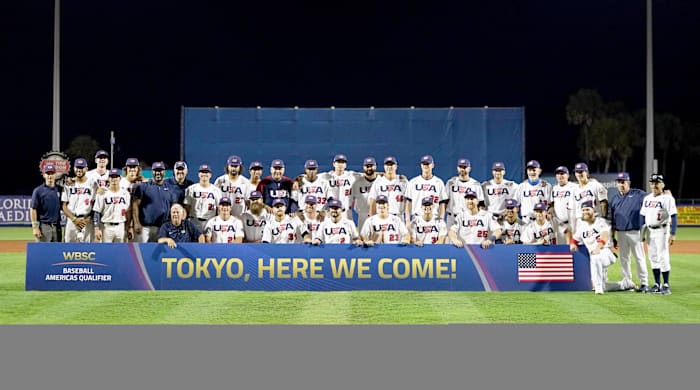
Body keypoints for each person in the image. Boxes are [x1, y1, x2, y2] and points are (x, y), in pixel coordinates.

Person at [569, 200, 621, 295]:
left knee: (595, 257)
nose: (585, 212)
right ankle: (625, 284)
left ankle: (598, 289)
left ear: (594, 210)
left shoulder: (601, 222)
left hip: (606, 252)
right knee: (605, 284)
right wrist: (572, 244)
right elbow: (574, 239)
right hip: (595, 255)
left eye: (587, 209)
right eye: (583, 210)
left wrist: (598, 247)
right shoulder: (582, 227)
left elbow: (605, 235)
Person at [608, 172, 648, 292]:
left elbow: (652, 198)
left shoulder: (638, 194)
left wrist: (663, 194)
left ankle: (644, 282)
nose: (621, 184)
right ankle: (627, 281)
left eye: (623, 182)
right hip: (620, 233)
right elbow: (613, 220)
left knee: (639, 258)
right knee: (624, 258)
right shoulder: (614, 199)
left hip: (635, 232)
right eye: (619, 182)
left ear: (628, 183)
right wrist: (612, 237)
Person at [640, 173, 678, 295]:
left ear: (662, 184)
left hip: (662, 230)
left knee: (663, 256)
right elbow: (642, 215)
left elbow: (674, 215)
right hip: (650, 231)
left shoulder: (668, 198)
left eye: (657, 183)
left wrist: (673, 233)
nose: (654, 185)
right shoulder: (647, 198)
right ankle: (657, 284)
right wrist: (642, 231)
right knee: (653, 257)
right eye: (652, 183)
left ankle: (666, 284)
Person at [132, 161, 175, 242]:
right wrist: (137, 222)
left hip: (162, 228)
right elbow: (135, 205)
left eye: (160, 170)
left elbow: (173, 207)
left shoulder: (170, 188)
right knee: (142, 252)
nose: (158, 173)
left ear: (164, 172)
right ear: (152, 172)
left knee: (159, 253)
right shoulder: (143, 186)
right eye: (155, 170)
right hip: (145, 228)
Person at [61, 158, 97, 242]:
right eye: (77, 167)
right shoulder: (68, 184)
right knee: (68, 248)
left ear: (86, 169)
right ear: (73, 168)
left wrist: (87, 219)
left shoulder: (92, 183)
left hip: (86, 221)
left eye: (81, 167)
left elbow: (96, 205)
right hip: (71, 220)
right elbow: (64, 206)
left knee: (87, 250)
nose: (79, 170)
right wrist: (74, 219)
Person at [405, 155, 446, 227]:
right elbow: (408, 202)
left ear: (432, 165)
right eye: (424, 164)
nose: (426, 166)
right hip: (417, 218)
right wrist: (407, 220)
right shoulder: (413, 182)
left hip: (434, 218)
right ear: (421, 165)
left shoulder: (439, 182)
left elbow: (442, 203)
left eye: (428, 164)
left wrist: (441, 219)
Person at [92, 168, 132, 243]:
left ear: (120, 178)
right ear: (108, 178)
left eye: (116, 177)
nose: (114, 179)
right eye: (112, 177)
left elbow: (128, 212)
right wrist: (96, 229)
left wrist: (129, 227)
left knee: (120, 251)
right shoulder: (102, 193)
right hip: (106, 227)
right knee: (106, 252)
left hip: (121, 226)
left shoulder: (125, 193)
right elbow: (97, 212)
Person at [569, 162, 608, 234]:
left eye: (581, 171)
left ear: (586, 172)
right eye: (577, 172)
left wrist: (603, 219)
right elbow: (572, 210)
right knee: (579, 244)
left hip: (594, 220)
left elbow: (604, 203)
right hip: (580, 222)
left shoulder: (595, 185)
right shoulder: (574, 189)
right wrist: (573, 228)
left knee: (596, 244)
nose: (579, 174)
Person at [184, 164, 223, 232]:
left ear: (210, 175)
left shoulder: (216, 190)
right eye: (202, 172)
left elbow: (219, 209)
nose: (204, 174)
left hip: (210, 221)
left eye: (206, 172)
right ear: (199, 174)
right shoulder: (191, 189)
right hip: (194, 221)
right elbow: (187, 208)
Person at [368, 156, 408, 220]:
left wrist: (407, 219)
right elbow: (372, 202)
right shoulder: (378, 182)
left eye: (391, 164)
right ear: (384, 166)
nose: (389, 167)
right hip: (382, 217)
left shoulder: (403, 181)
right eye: (387, 165)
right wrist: (372, 220)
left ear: (396, 166)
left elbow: (408, 201)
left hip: (399, 216)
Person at [319, 154, 357, 220]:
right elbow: (307, 176)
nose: (340, 164)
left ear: (345, 165)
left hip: (346, 212)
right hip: (330, 212)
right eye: (338, 162)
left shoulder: (352, 176)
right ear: (334, 164)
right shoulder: (326, 176)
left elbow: (367, 175)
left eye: (343, 162)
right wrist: (297, 180)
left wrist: (381, 175)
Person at [30, 164, 62, 242]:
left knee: (57, 252)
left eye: (52, 173)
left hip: (57, 226)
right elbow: (33, 209)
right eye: (47, 173)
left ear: (55, 175)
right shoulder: (38, 191)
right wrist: (35, 227)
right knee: (42, 252)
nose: (50, 176)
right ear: (44, 175)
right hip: (43, 226)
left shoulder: (60, 189)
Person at [349, 156, 379, 231]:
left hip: (378, 215)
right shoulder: (357, 182)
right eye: (367, 166)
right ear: (363, 167)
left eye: (371, 166)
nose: (369, 168)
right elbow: (350, 199)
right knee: (362, 239)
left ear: (375, 166)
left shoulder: (381, 181)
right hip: (362, 215)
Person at [550, 166, 577, 245]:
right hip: (559, 225)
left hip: (573, 224)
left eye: (562, 173)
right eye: (558, 174)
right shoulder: (554, 189)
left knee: (574, 248)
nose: (560, 176)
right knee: (560, 249)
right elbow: (551, 205)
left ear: (568, 175)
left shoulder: (574, 187)